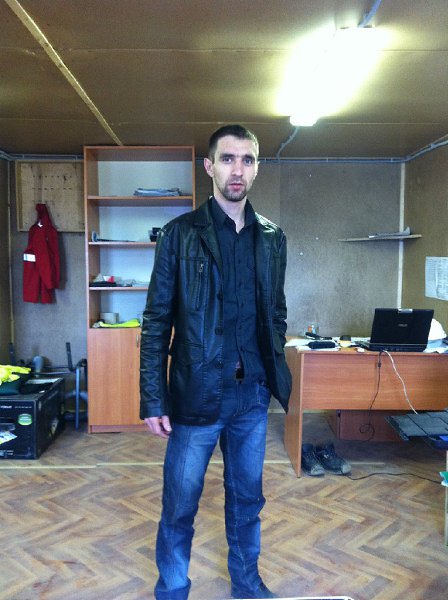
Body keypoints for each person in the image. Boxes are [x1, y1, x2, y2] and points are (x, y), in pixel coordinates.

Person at [140, 124, 292, 600]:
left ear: (257, 168)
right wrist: (153, 398)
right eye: (227, 159)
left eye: (247, 159)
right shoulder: (179, 235)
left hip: (252, 399)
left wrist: (271, 372)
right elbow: (156, 321)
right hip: (197, 397)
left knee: (247, 500)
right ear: (209, 166)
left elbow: (276, 312)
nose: (237, 169)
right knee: (180, 504)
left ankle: (246, 584)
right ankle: (173, 588)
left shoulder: (272, 238)